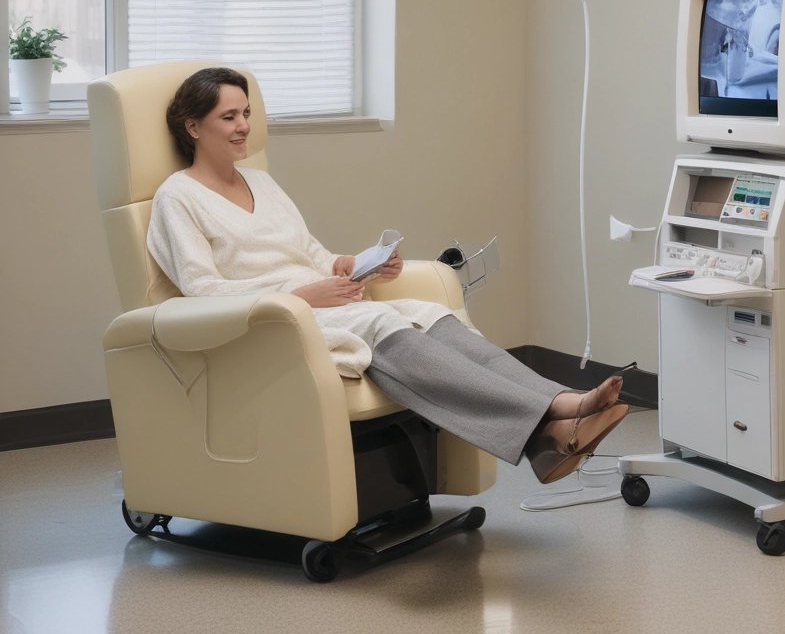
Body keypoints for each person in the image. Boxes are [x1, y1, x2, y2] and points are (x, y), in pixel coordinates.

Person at [146, 67, 628, 485]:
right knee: (380, 325)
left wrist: (355, 265)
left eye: (246, 113)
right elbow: (202, 290)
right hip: (269, 322)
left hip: (320, 302)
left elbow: (308, 252)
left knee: (428, 311)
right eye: (228, 117)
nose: (244, 127)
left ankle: (556, 413)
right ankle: (558, 413)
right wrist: (303, 293)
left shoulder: (261, 182)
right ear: (192, 126)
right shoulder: (178, 198)